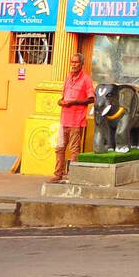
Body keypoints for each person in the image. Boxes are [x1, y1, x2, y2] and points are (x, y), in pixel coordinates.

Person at [50, 52, 94, 183]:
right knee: (59, 148)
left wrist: (74, 102)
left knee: (74, 149)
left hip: (76, 120)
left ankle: (72, 175)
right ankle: (58, 174)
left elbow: (91, 98)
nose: (74, 65)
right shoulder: (68, 77)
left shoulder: (86, 79)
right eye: (72, 62)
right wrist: (60, 102)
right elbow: (63, 97)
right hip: (64, 120)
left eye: (76, 62)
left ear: (81, 64)